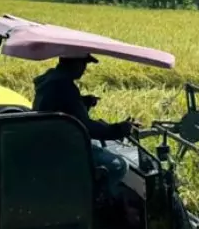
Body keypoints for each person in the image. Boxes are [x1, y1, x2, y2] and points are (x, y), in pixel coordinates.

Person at [32, 55, 135, 197]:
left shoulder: (50, 81)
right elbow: (86, 127)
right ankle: (98, 203)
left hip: (51, 141)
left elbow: (62, 107)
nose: (84, 69)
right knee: (118, 166)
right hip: (64, 148)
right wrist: (118, 129)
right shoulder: (64, 87)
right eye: (83, 64)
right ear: (73, 63)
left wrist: (83, 102)